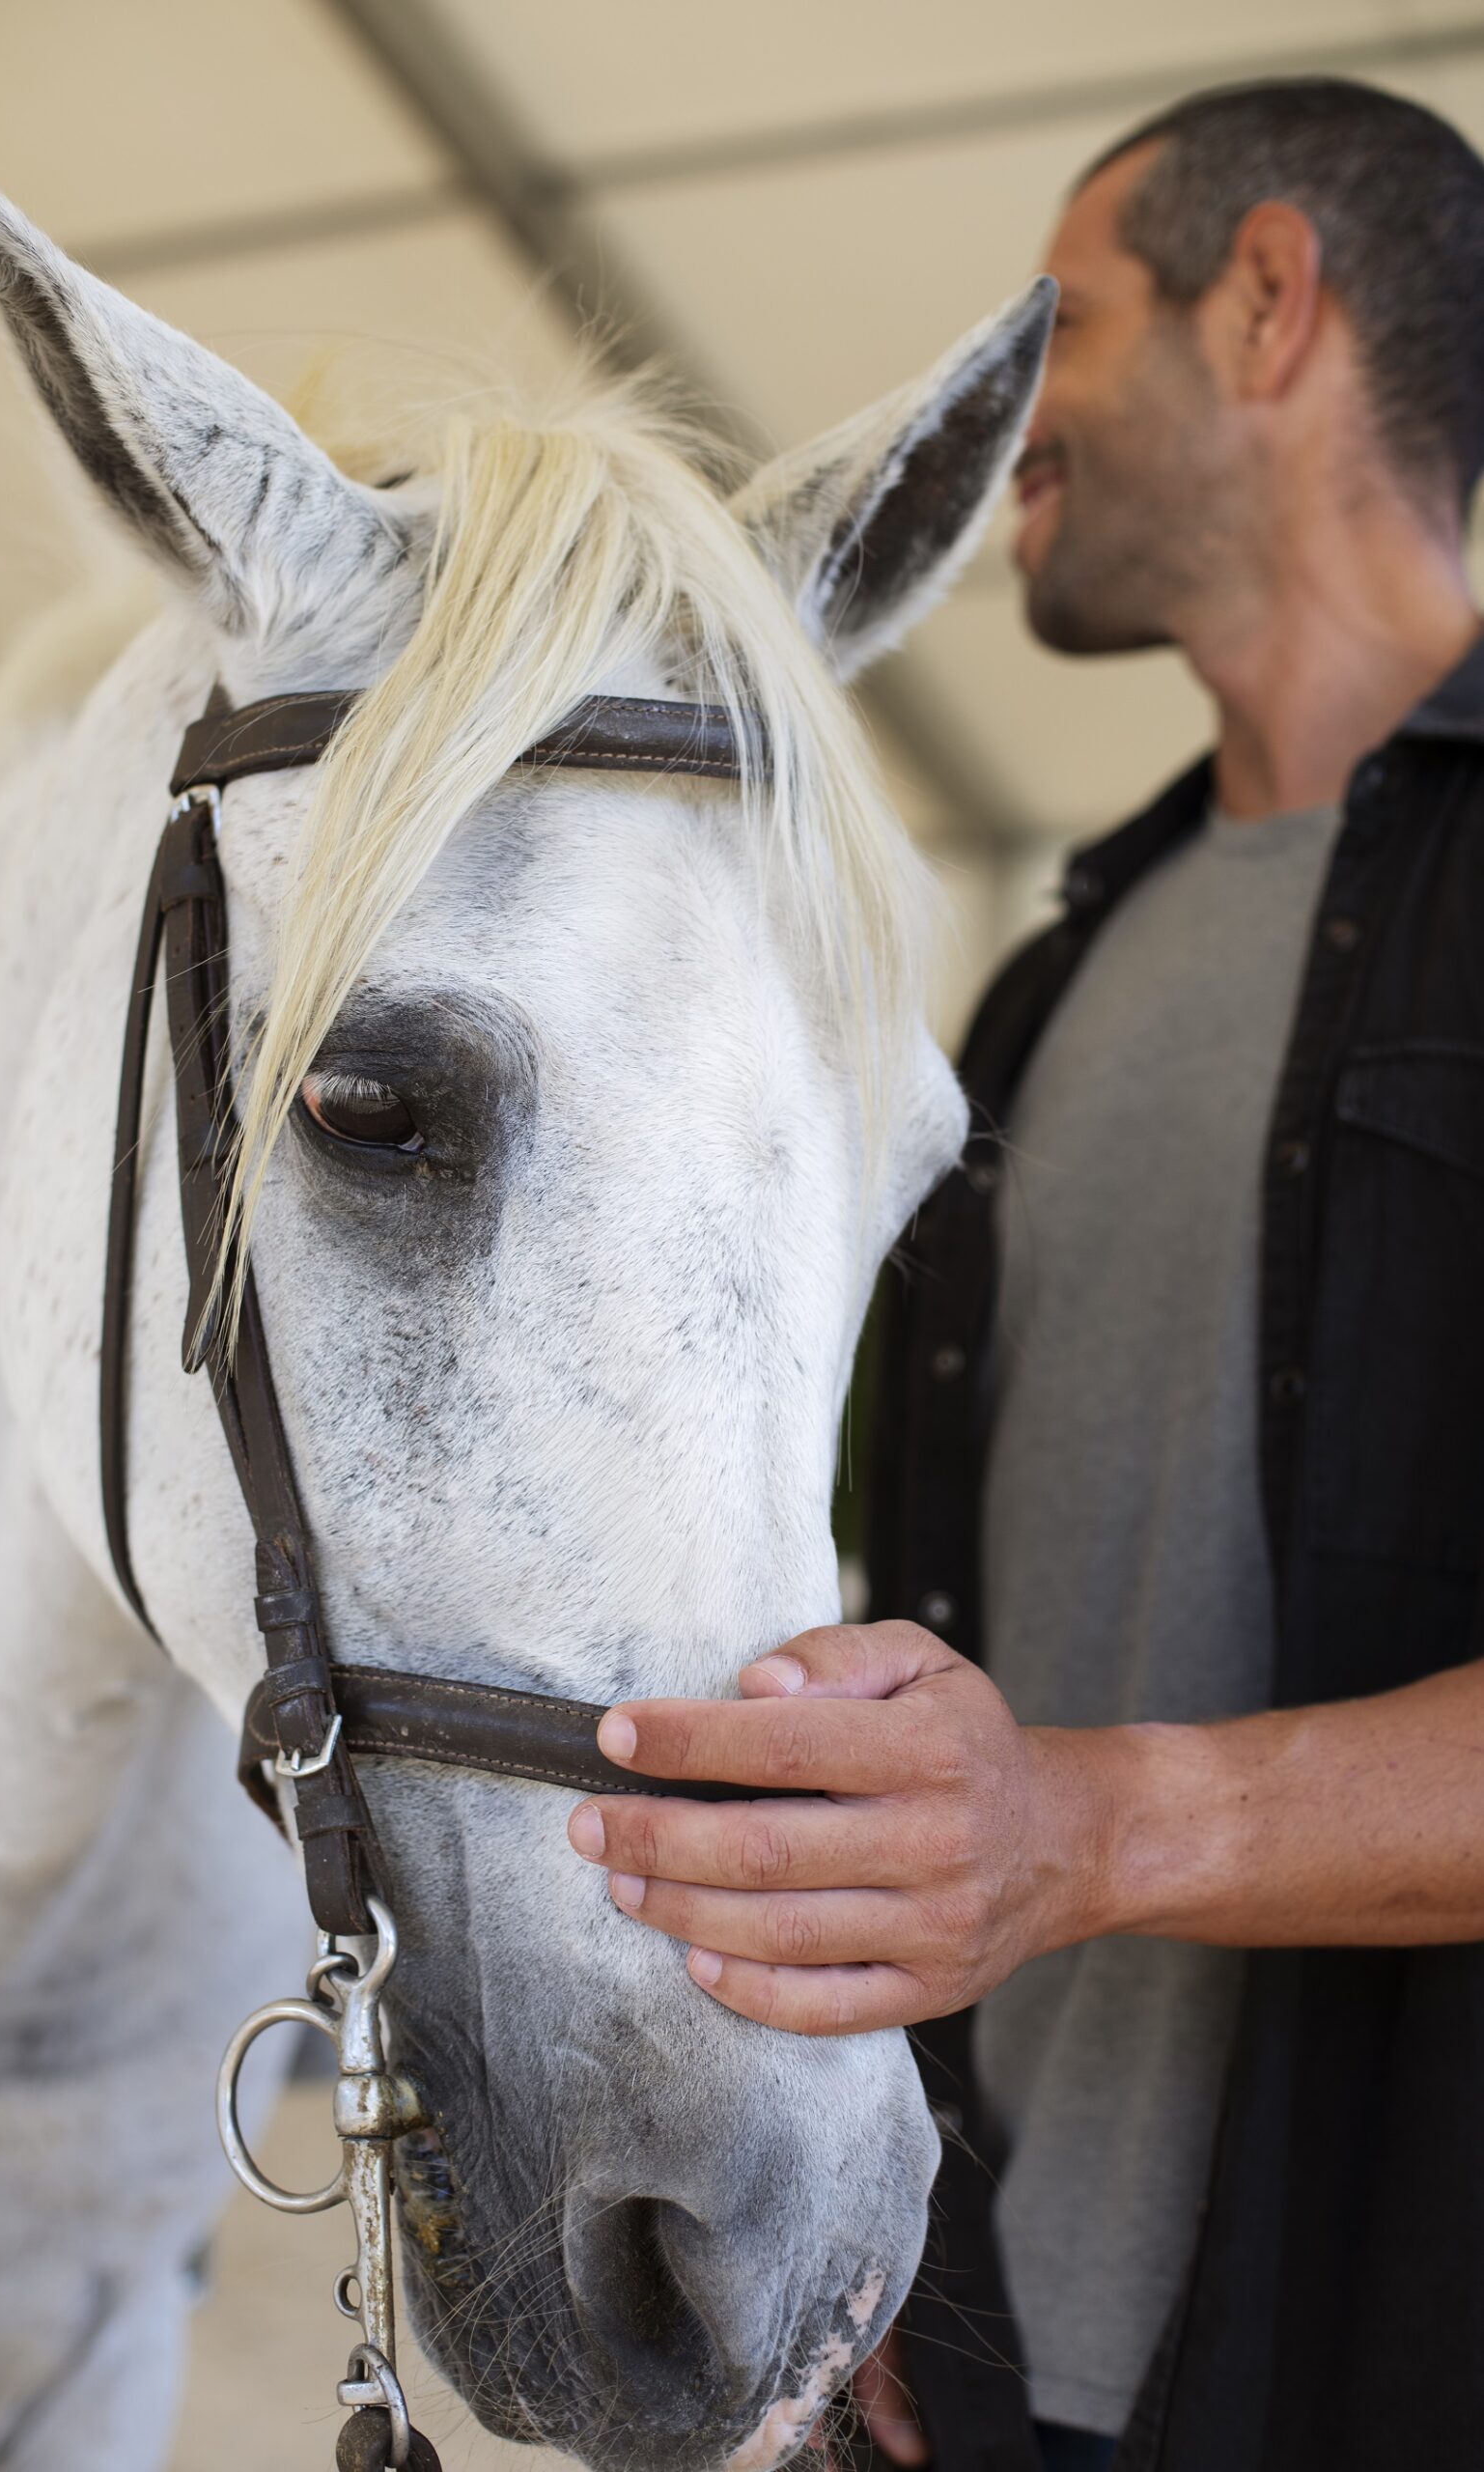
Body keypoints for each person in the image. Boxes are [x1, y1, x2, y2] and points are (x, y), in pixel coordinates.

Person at [561, 76, 1484, 2472]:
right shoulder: (1046, 984)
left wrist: (1084, 1828)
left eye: (1066, 321)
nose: (1005, 433)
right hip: (962, 2356)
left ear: (1265, 299)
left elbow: (1040, 1800)